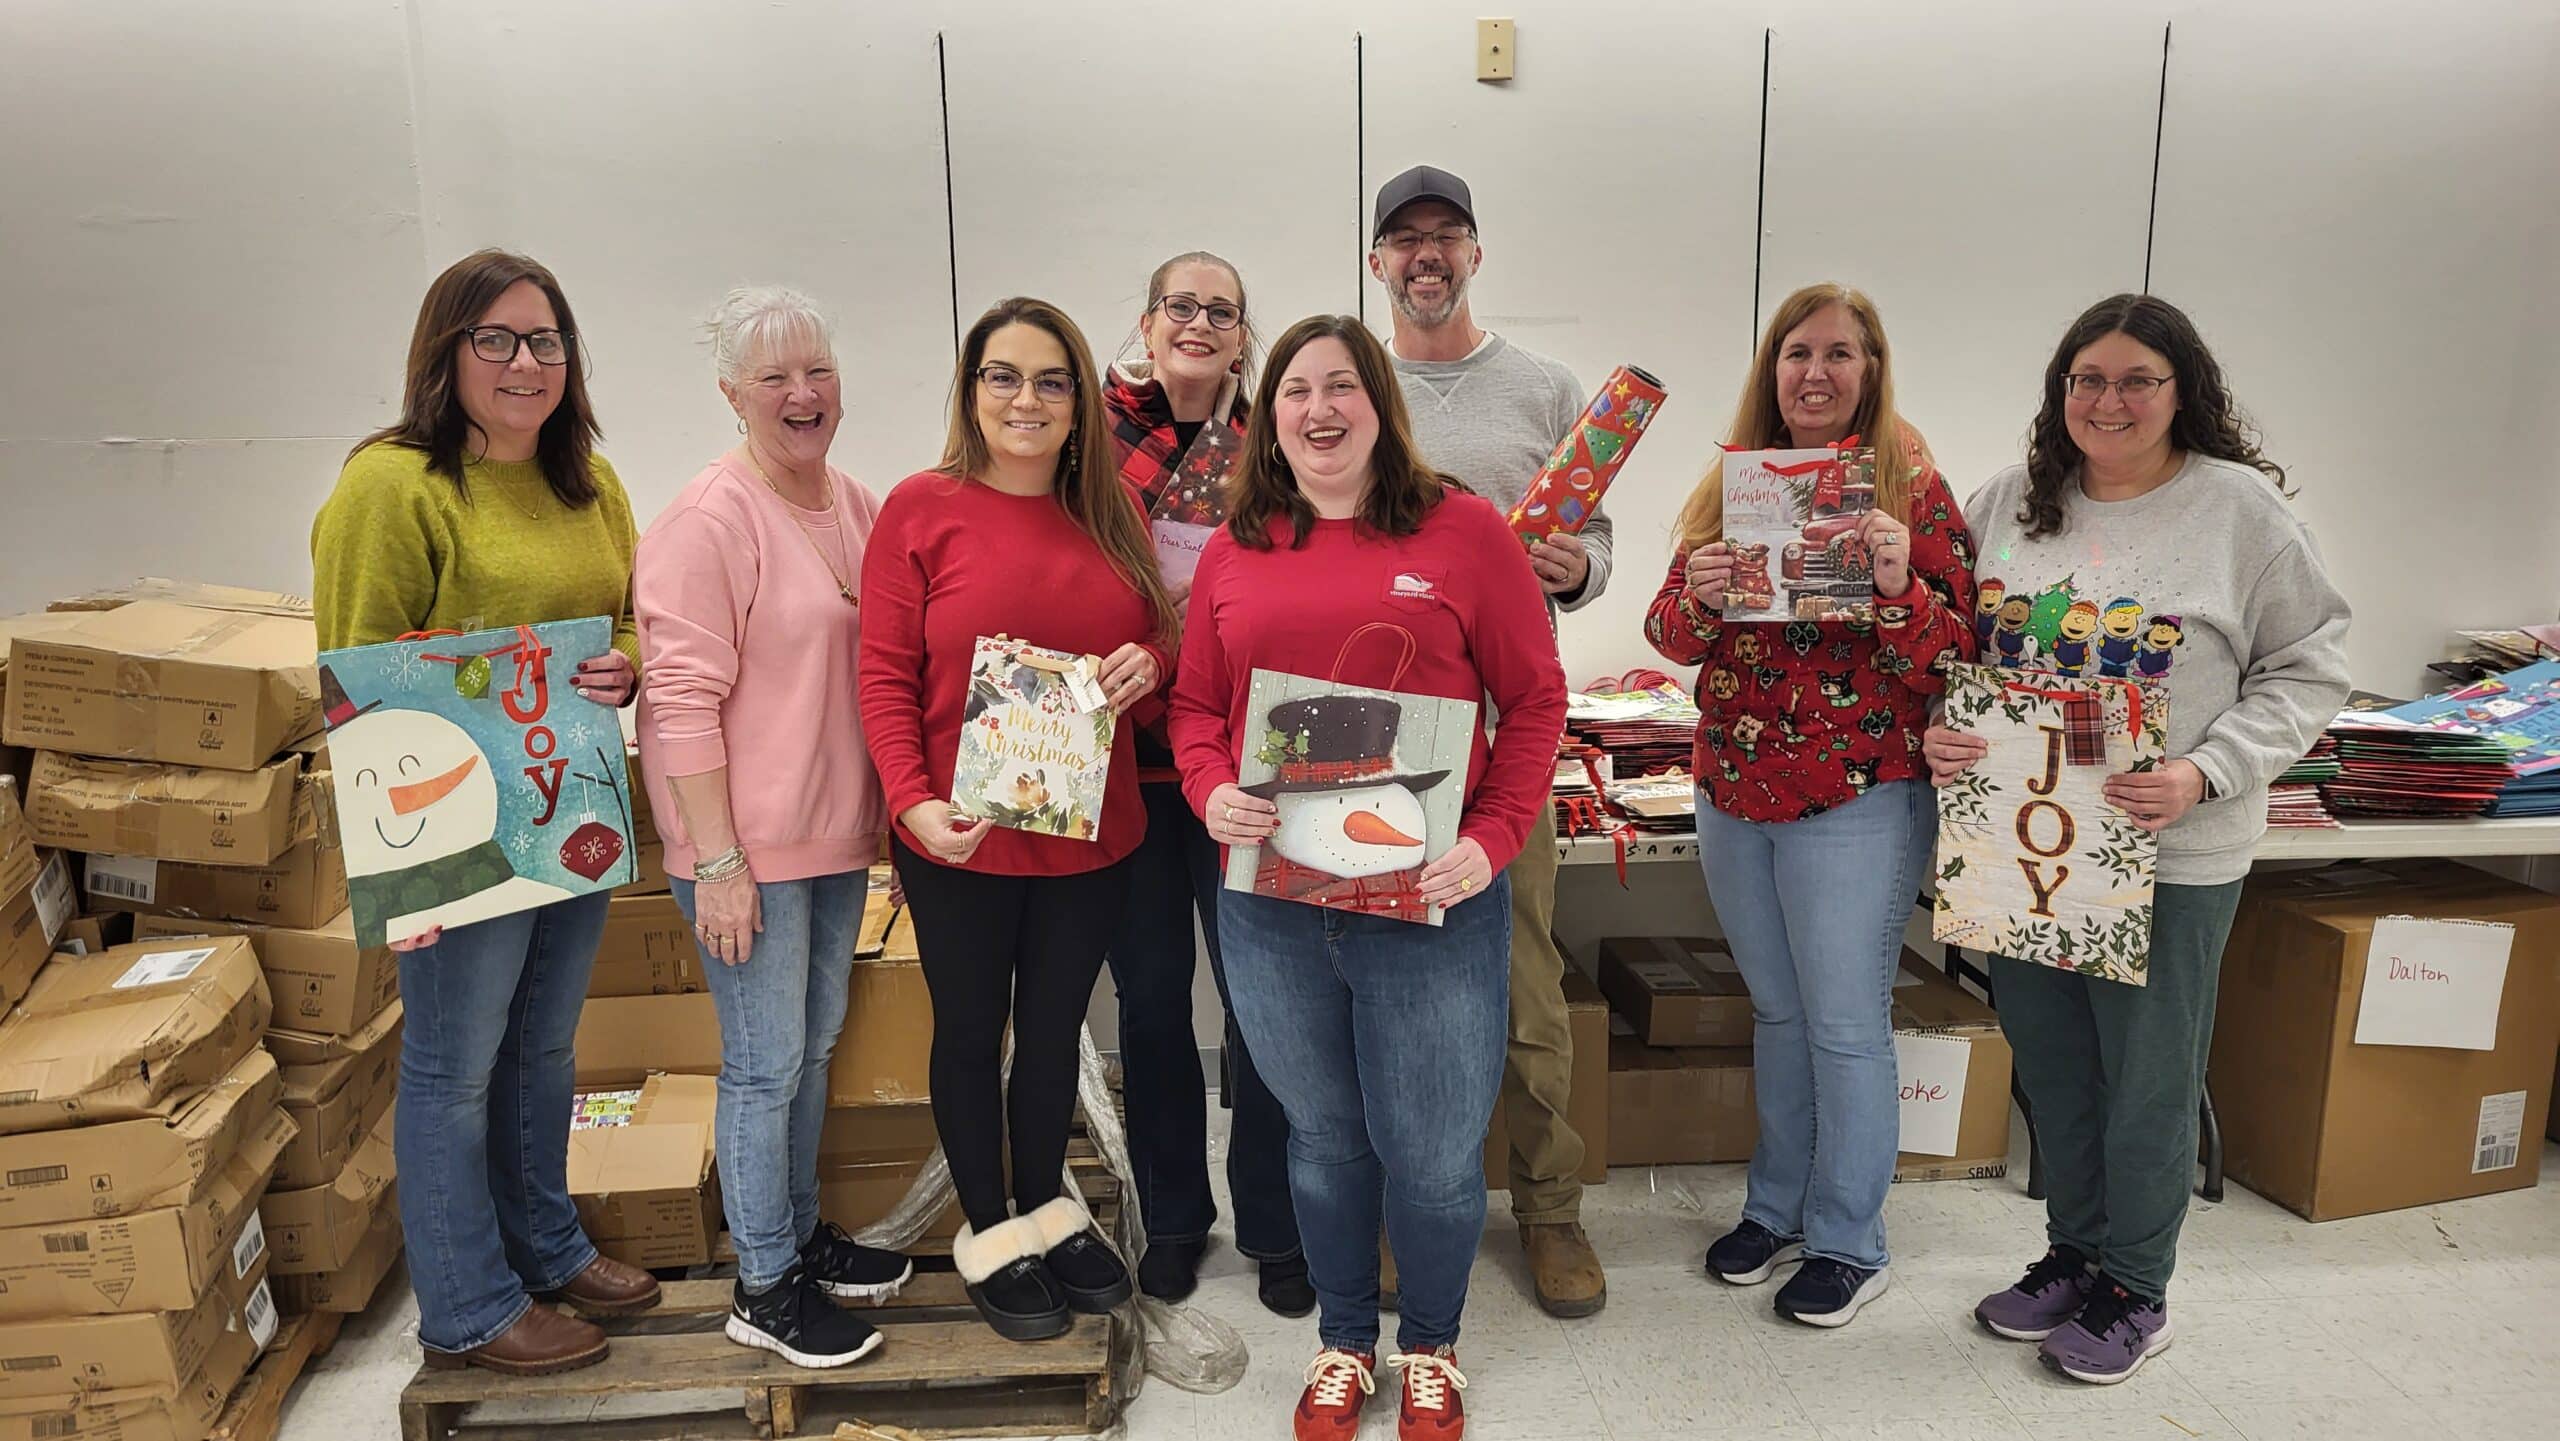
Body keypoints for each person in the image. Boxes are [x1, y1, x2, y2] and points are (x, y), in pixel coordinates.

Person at [1930, 293, 2349, 1384]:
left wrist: (2204, 771)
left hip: (2168, 853)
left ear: (2182, 391)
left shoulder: (2237, 511)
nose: (2106, 402)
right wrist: (1945, 726)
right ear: (2057, 392)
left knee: (2148, 1080)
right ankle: (2073, 1254)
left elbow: (2311, 663)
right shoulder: (2013, 502)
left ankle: (2136, 1287)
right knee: (2058, 1071)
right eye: (2085, 380)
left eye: (2134, 381)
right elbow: (1941, 636)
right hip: (2027, 849)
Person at [1170, 314, 1568, 1441]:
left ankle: (1429, 1346)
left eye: (1342, 386)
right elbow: (1197, 706)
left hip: (1433, 907)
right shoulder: (1237, 548)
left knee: (1436, 1155)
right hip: (1276, 911)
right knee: (1324, 1140)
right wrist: (1208, 788)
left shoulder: (1463, 532)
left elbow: (1534, 700)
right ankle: (1346, 1338)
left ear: (1379, 404)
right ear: (1269, 415)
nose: (1318, 409)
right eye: (1296, 390)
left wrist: (1489, 840)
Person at [310, 248, 660, 1375]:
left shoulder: (587, 479)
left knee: (544, 1047)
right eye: (496, 340)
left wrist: (626, 664)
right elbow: (357, 678)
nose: (526, 362)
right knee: (454, 1065)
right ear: (445, 351)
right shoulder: (392, 487)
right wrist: (392, 871)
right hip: (455, 825)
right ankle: (465, 1305)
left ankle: (546, 1245)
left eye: (546, 340)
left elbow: (633, 620)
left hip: (572, 805)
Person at [1642, 282, 1978, 1329]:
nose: (1816, 373)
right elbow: (1669, 636)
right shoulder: (1735, 481)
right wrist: (1693, 591)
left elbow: (1956, 655)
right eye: (1796, 353)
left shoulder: (1908, 485)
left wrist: (1895, 585)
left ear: (1871, 370)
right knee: (1781, 1015)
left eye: (1840, 353)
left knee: (1843, 1026)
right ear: (1770, 369)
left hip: (1856, 793)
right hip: (1734, 787)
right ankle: (1776, 1207)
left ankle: (1848, 1238)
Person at [856, 297, 1173, 1342]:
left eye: (1048, 380)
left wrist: (1151, 665)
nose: (1024, 399)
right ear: (970, 389)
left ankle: (1044, 1198)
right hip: (962, 840)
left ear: (1080, 403)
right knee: (968, 1030)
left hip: (1092, 840)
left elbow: (1162, 652)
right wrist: (909, 798)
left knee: (1051, 1033)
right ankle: (989, 1225)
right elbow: (883, 674)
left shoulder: (1111, 516)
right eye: (1002, 375)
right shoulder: (921, 507)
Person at [634, 286, 914, 1370]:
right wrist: (716, 864)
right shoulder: (710, 520)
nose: (803, 395)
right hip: (744, 849)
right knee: (762, 1066)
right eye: (774, 378)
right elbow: (679, 702)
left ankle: (798, 1238)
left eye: (819, 372)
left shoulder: (855, 501)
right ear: (731, 395)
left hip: (834, 839)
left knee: (810, 1050)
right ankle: (762, 1283)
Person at [1366, 163, 1608, 1319]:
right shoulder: (1347, 388)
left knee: (1525, 987)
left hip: (1509, 735)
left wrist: (1578, 566)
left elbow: (1593, 537)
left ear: (1474, 251)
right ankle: (1409, 1207)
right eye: (1403, 238)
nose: (1425, 254)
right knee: (1385, 993)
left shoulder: (1547, 387)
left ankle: (1550, 1210)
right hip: (1374, 739)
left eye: (1445, 234)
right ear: (1377, 263)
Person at [1100, 251, 1311, 1314]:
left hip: (1243, 769)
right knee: (1147, 1006)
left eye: (1218, 311)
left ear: (1240, 335)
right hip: (1125, 773)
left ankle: (1275, 1226)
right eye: (1178, 306)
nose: (1196, 323)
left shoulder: (1273, 443)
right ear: (1146, 325)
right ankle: (1176, 1220)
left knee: (1259, 1006)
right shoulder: (1086, 438)